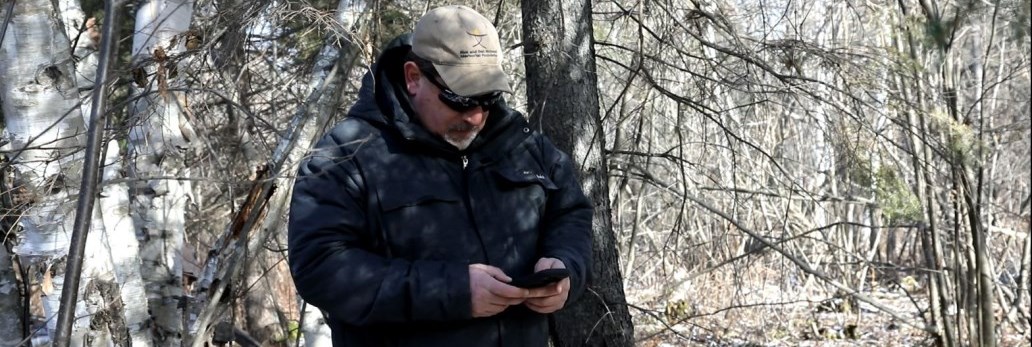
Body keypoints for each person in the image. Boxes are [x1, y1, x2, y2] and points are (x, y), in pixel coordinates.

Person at [288, 5, 593, 346]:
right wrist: (452, 291)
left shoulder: (522, 145)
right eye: (460, 99)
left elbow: (570, 215)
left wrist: (567, 267)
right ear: (414, 78)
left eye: (488, 97)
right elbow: (321, 267)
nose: (476, 117)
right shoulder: (346, 156)